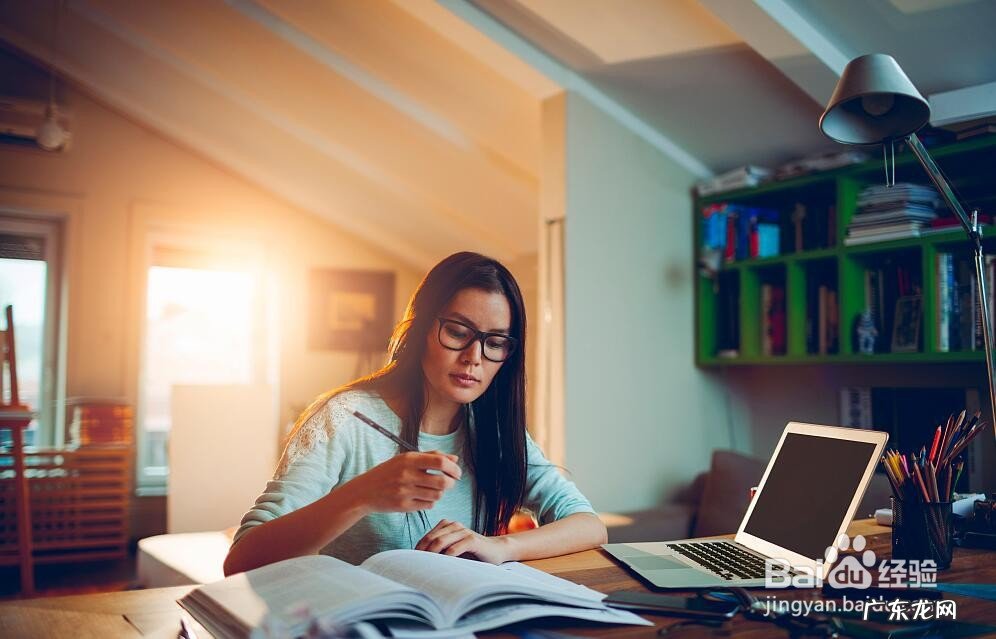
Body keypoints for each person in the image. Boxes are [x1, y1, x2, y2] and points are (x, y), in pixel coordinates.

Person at [224, 252, 606, 575]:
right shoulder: (343, 418)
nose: (474, 357)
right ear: (422, 328)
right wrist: (362, 495)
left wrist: (499, 546)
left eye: (494, 342)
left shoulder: (493, 431)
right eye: (458, 332)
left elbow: (589, 526)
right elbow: (242, 560)